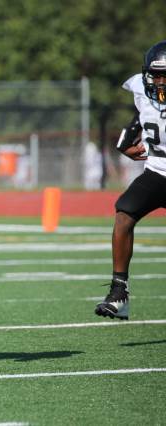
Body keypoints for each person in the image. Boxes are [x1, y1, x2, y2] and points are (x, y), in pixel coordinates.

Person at [95, 40, 166, 320]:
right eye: (156, 75)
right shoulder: (142, 90)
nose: (160, 83)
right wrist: (126, 139)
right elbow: (143, 114)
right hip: (158, 172)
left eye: (165, 76)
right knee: (124, 214)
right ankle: (119, 293)